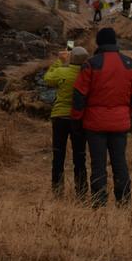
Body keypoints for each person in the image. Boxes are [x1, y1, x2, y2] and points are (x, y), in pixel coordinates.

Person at [71, 27, 132, 207]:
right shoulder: (129, 63)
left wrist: (77, 118)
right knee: (120, 163)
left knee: (98, 164)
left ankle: (99, 203)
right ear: (115, 42)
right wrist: (130, 113)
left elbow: (79, 94)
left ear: (99, 42)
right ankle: (124, 203)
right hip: (120, 123)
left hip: (95, 124)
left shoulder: (91, 64)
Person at [44, 46, 90, 199]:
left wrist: (59, 61)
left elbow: (48, 78)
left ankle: (57, 192)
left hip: (59, 117)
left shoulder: (62, 72)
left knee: (58, 155)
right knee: (80, 157)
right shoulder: (87, 76)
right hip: (79, 119)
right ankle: (81, 193)